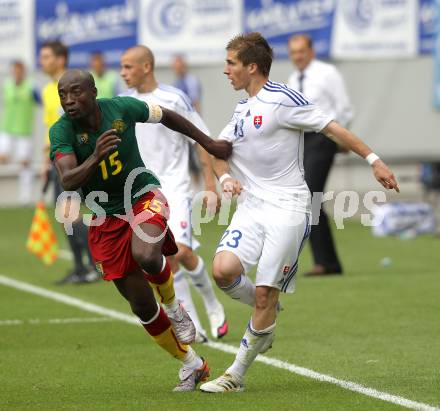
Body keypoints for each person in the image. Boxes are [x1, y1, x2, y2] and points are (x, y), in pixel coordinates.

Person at [199, 32, 399, 393]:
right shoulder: (242, 108)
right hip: (251, 207)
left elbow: (333, 127)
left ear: (252, 67)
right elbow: (215, 148)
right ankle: (268, 313)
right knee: (223, 271)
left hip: (288, 208)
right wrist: (224, 177)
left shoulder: (284, 100)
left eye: (231, 64)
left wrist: (374, 160)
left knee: (264, 293)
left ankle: (236, 374)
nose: (225, 71)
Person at [49, 69, 231, 390]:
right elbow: (68, 180)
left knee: (146, 253)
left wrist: (207, 142)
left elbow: (168, 117)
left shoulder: (121, 108)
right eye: (63, 95)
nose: (69, 101)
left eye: (75, 92)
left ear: (93, 92)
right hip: (105, 218)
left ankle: (176, 309)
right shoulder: (62, 131)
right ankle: (192, 365)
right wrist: (94, 157)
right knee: (142, 306)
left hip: (142, 195)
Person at [120, 45, 228, 342]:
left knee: (182, 252)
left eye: (128, 67)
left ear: (147, 66)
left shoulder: (174, 98)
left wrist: (209, 186)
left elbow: (200, 140)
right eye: (122, 67)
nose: (123, 72)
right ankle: (194, 324)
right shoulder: (123, 104)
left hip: (177, 186)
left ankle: (212, 304)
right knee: (165, 259)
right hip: (143, 193)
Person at [287, 34, 354, 276]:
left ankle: (326, 263)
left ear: (311, 51)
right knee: (309, 198)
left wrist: (341, 138)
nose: (297, 56)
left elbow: (344, 108)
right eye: (293, 52)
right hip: (304, 140)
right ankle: (327, 262)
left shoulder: (327, 73)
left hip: (325, 137)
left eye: (301, 51)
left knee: (311, 195)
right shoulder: (294, 78)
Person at [39, 40, 98, 284]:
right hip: (56, 159)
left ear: (61, 59)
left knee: (69, 214)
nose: (42, 61)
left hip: (72, 161)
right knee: (64, 216)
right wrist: (46, 161)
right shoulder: (47, 91)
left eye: (46, 57)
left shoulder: (74, 88)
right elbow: (51, 130)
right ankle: (81, 268)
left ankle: (95, 264)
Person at [0, 60, 39, 205]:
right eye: (14, 70)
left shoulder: (31, 86)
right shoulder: (7, 85)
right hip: (7, 129)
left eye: (19, 70)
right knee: (2, 158)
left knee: (25, 163)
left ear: (23, 71)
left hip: (24, 131)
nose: (17, 73)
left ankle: (25, 198)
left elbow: (40, 101)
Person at [171, 54, 204, 178]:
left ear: (183, 66)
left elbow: (195, 103)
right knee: (189, 162)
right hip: (181, 127)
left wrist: (197, 125)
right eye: (174, 67)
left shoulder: (191, 80)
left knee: (200, 157)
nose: (176, 69)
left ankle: (210, 186)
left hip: (191, 125)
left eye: (178, 66)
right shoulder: (176, 83)